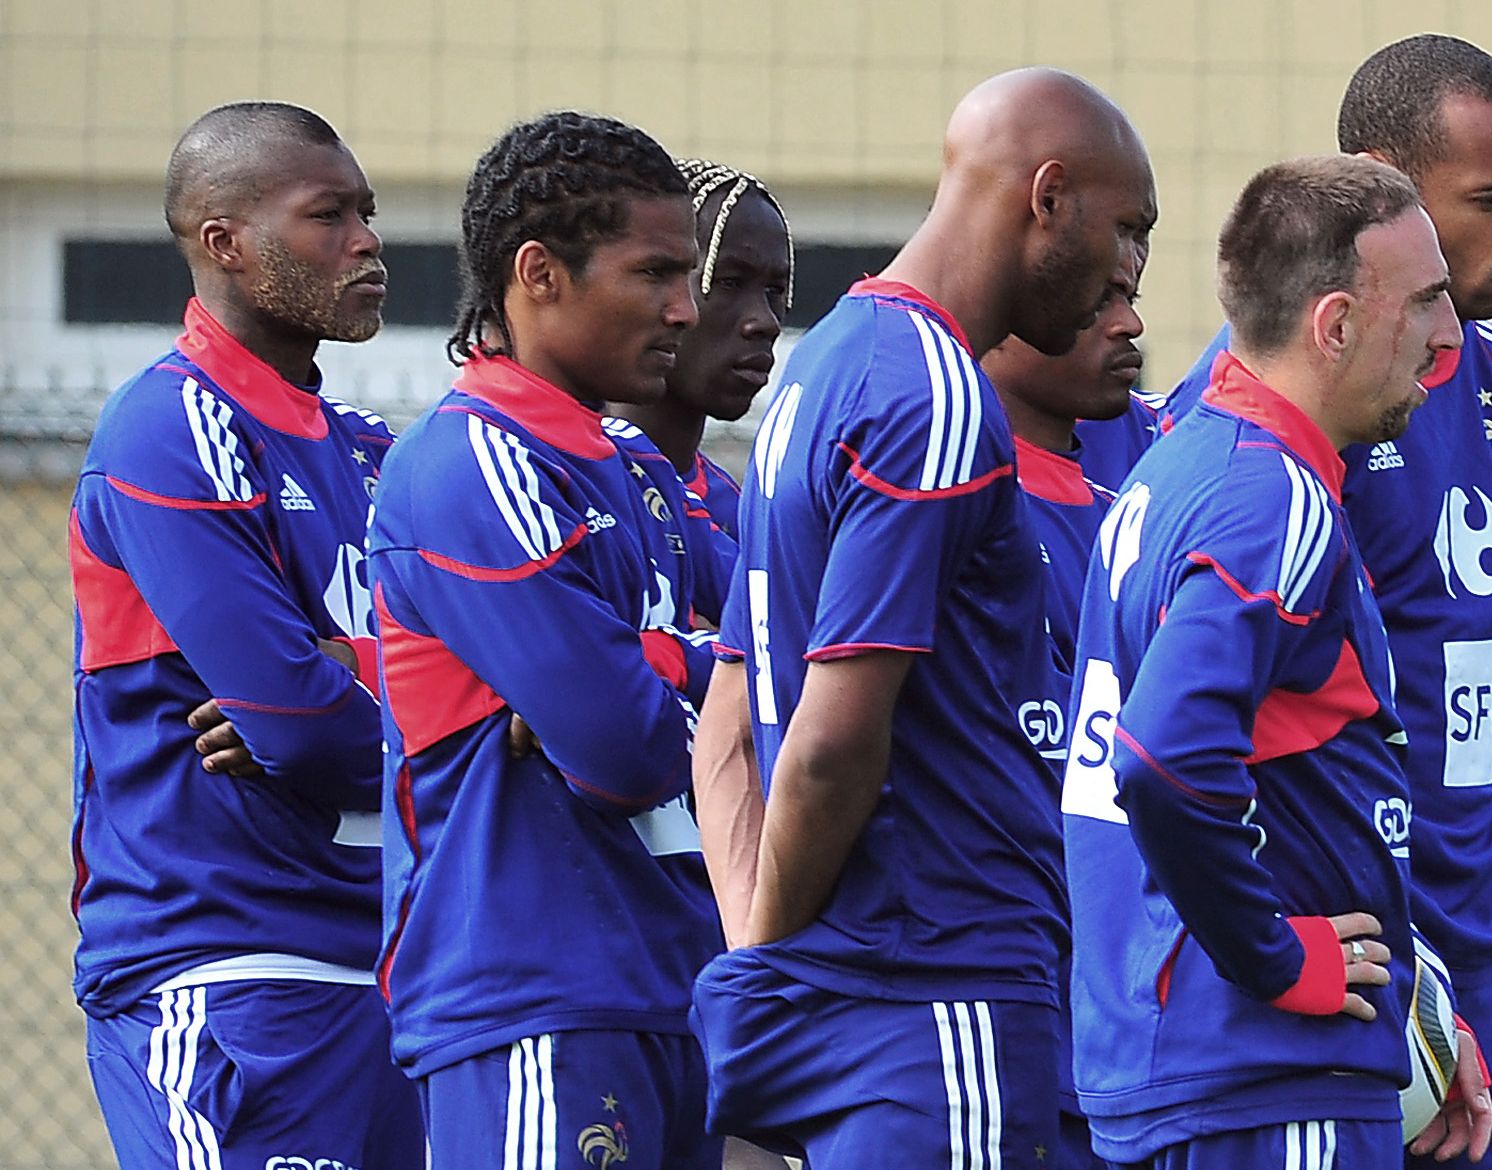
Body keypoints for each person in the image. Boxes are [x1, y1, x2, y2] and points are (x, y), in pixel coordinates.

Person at [689, 68, 1157, 1166]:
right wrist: (780, 959)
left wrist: (767, 943)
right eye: (1130, 228)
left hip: (886, 989)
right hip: (941, 980)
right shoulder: (934, 394)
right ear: (1049, 196)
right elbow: (829, 739)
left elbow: (730, 697)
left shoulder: (821, 373)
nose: (1129, 271)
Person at [1165, 36, 1492, 1163]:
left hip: (1474, 942)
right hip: (1355, 952)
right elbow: (1188, 735)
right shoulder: (1264, 417)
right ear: (1384, 185)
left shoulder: (1484, 377)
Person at [1064, 153, 1485, 1168]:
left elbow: (1292, 785)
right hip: (1258, 1075)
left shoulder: (1186, 464)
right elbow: (1161, 760)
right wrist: (1276, 959)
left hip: (1198, 1065)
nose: (1447, 338)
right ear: (1334, 324)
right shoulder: (1272, 500)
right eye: (1426, 302)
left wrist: (1415, 1007)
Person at [368, 111, 727, 1169]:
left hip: (674, 990)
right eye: (654, 271)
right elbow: (627, 749)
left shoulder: (636, 464)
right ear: (539, 273)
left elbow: (782, 643)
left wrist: (657, 659)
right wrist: (684, 674)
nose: (687, 309)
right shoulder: (470, 462)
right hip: (534, 1001)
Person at [68, 100, 421, 1166]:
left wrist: (354, 668)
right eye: (329, 216)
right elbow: (303, 728)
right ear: (225, 243)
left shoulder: (371, 452)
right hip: (230, 973)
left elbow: (516, 679)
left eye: (366, 211)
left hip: (394, 969)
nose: (368, 242)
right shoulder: (172, 425)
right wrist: (463, 723)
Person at [979, 260, 1145, 1169]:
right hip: (1005, 995)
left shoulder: (1136, 518)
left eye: (1134, 297)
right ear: (1004, 317)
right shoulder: (955, 503)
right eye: (1099, 301)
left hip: (1124, 1011)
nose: (1127, 324)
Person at [614, 158, 794, 541]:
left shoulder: (738, 515)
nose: (765, 321)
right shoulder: (570, 487)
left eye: (775, 292)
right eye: (730, 282)